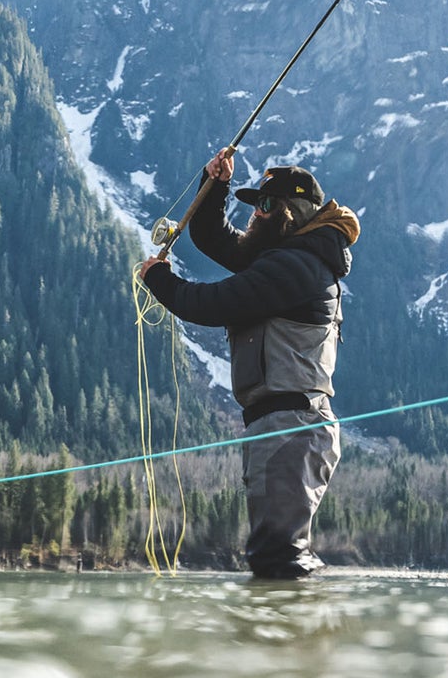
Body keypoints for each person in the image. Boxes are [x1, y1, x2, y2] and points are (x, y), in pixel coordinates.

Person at [137, 147, 360, 579]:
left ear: (290, 214)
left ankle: (300, 637)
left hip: (292, 428)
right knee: (275, 557)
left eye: (266, 205)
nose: (256, 214)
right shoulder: (282, 259)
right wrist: (213, 185)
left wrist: (158, 279)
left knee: (278, 559)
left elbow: (217, 302)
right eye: (255, 204)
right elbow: (216, 239)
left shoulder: (298, 267)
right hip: (281, 428)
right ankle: (294, 635)